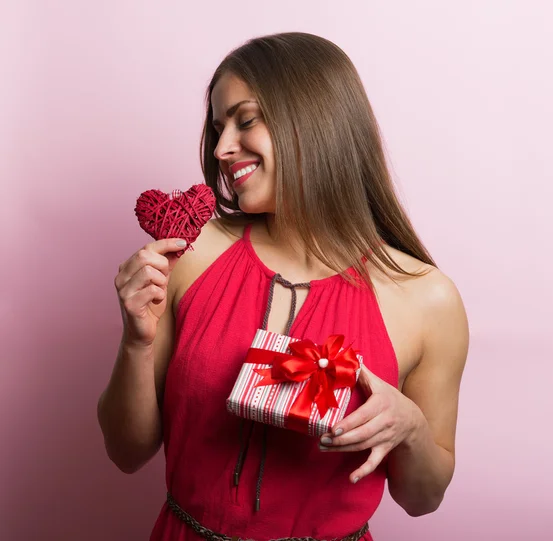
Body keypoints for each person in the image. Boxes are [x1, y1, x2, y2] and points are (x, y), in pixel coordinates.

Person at [97, 32, 469, 541]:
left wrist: (410, 428)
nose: (223, 148)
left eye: (245, 120)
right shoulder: (192, 253)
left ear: (315, 121)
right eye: (217, 126)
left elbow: (423, 499)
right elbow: (126, 451)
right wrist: (136, 341)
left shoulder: (428, 299)